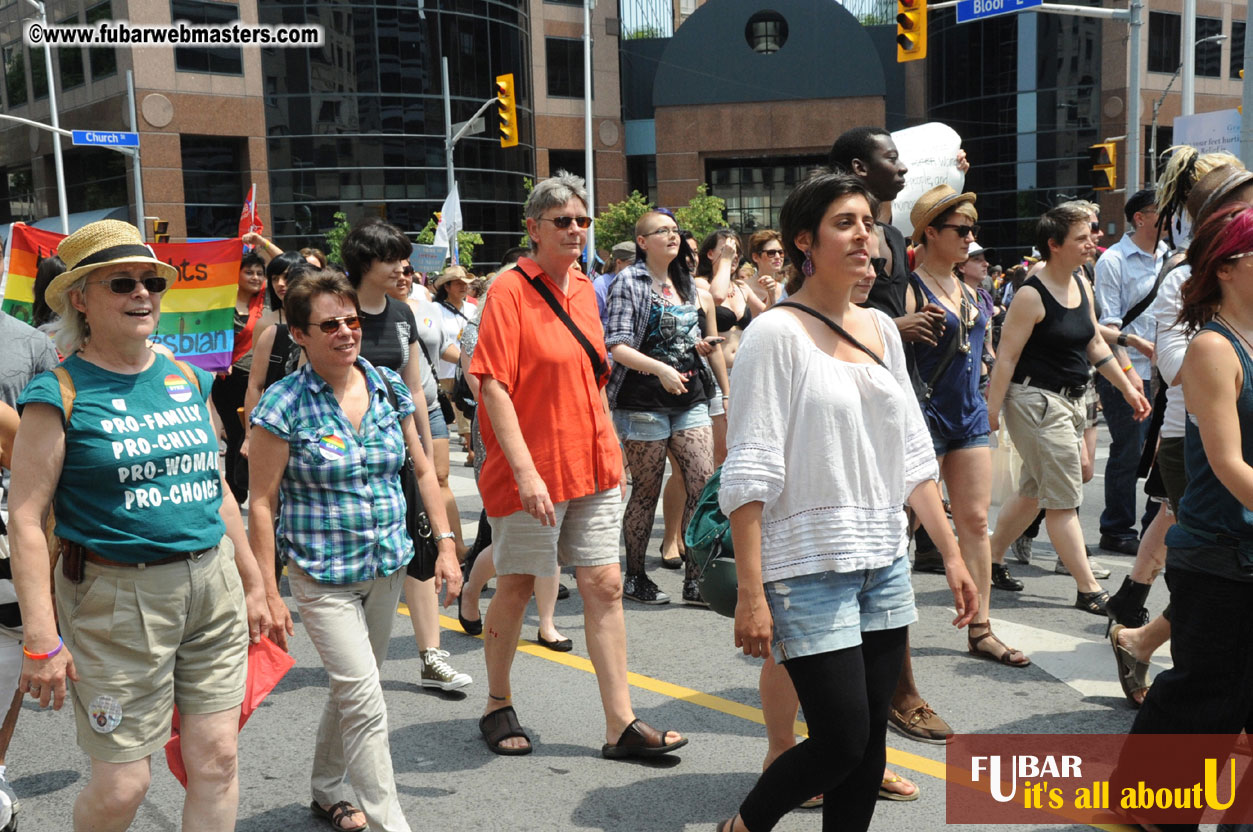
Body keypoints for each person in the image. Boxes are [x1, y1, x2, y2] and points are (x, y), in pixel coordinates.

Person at [718, 171, 977, 832]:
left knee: (868, 748)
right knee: (839, 739)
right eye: (843, 222)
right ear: (804, 240)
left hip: (883, 560)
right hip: (805, 567)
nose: (862, 233)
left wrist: (949, 554)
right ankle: (743, 828)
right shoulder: (773, 336)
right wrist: (752, 595)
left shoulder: (882, 331)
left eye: (866, 221)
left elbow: (910, 455)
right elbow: (749, 472)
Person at [9, 219, 269, 832]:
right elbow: (24, 519)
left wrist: (257, 582)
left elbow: (218, 488)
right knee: (125, 784)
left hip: (213, 588)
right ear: (81, 299)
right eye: (122, 283)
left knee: (218, 760)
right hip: (115, 602)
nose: (142, 295)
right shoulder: (60, 392)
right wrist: (41, 639)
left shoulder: (186, 377)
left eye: (151, 282)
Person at [470, 171, 687, 758]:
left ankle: (620, 725)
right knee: (515, 585)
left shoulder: (588, 289)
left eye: (581, 220)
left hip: (591, 462)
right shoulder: (509, 291)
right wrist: (524, 471)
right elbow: (492, 386)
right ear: (533, 228)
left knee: (606, 584)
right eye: (561, 220)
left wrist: (611, 450)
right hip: (533, 470)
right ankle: (497, 703)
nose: (574, 229)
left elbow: (593, 378)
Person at [249, 271, 460, 832]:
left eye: (351, 321)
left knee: (354, 684)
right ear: (299, 334)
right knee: (365, 699)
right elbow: (262, 503)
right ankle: (394, 824)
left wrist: (445, 545)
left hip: (387, 565)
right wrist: (267, 590)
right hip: (322, 577)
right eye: (329, 324)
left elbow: (420, 468)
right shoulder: (282, 403)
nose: (346, 332)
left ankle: (325, 790)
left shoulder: (387, 383)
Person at [1126, 203, 1253, 828]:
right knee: (1208, 691)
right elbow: (1228, 464)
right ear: (1228, 268)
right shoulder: (1212, 347)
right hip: (1221, 548)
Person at [1109, 161, 1253, 708]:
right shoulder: (1183, 282)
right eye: (1243, 200)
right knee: (1197, 544)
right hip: (1185, 438)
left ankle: (1139, 630)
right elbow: (1177, 370)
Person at [828, 125, 953, 745]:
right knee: (834, 576)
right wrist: (891, 325)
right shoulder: (825, 223)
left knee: (892, 557)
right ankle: (826, 733)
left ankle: (881, 705)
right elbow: (817, 312)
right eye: (891, 158)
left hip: (896, 399)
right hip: (837, 415)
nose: (901, 167)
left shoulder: (895, 232)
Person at [987, 204, 1151, 615]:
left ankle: (989, 559)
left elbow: (1094, 342)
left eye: (1092, 235)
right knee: (1062, 498)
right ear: (1054, 245)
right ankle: (1088, 588)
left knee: (1033, 492)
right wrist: (991, 412)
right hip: (1037, 403)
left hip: (1074, 399)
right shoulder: (1030, 294)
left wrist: (1129, 386)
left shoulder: (1081, 281)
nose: (1092, 241)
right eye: (1082, 237)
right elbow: (1006, 359)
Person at [341, 219, 471, 692]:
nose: (403, 268)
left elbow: (414, 386)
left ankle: (431, 654)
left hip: (399, 445)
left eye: (404, 258)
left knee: (421, 548)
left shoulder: (402, 314)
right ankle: (358, 656)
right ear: (363, 265)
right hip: (348, 461)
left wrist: (419, 442)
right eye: (391, 259)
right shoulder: (337, 312)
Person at [906, 186, 1025, 666]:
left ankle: (981, 629)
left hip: (969, 414)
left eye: (973, 230)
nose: (970, 239)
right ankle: (881, 630)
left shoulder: (977, 291)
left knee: (975, 521)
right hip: (922, 416)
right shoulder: (907, 289)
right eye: (961, 230)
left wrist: (990, 404)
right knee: (905, 524)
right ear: (930, 233)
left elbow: (987, 353)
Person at [605, 210, 726, 605]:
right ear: (643, 242)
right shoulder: (629, 282)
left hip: (689, 397)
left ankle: (695, 580)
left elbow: (682, 338)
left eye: (675, 231)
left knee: (701, 484)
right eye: (662, 232)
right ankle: (636, 577)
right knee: (646, 491)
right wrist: (660, 369)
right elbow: (618, 346)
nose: (673, 237)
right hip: (642, 403)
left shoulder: (687, 282)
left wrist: (699, 349)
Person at [1094, 189, 1169, 555]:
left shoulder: (1171, 258)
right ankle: (1117, 528)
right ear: (1141, 218)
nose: (1170, 218)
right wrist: (1127, 374)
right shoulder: (1113, 261)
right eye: (1163, 211)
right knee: (1129, 451)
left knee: (1164, 449)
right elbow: (1107, 326)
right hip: (1128, 371)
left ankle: (1155, 524)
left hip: (1168, 372)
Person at [433, 265, 474, 441]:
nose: (463, 286)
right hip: (443, 371)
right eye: (458, 283)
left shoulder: (472, 309)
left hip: (467, 370)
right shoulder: (435, 309)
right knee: (445, 414)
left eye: (465, 283)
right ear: (447, 287)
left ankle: (469, 444)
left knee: (466, 408)